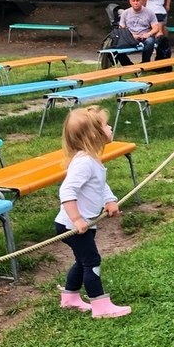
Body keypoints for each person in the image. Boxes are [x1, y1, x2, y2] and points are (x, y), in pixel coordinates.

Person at [54, 106, 130, 319]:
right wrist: (76, 218)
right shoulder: (84, 162)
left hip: (82, 223)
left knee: (82, 261)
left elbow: (99, 184)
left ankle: (69, 298)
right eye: (106, 125)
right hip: (73, 225)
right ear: (94, 134)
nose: (110, 127)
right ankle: (100, 305)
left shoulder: (91, 160)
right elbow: (67, 191)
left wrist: (110, 200)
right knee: (92, 261)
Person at [117, 0, 159, 64]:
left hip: (145, 36)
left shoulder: (149, 12)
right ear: (130, 2)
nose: (135, 3)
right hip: (130, 37)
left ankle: (145, 62)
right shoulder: (125, 13)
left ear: (142, 1)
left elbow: (156, 28)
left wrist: (149, 34)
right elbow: (121, 29)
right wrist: (130, 35)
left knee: (150, 41)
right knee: (117, 44)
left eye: (137, 1)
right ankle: (127, 64)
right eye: (133, 1)